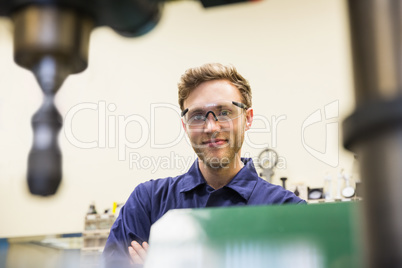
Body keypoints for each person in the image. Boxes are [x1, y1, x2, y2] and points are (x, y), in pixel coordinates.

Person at [102, 63, 306, 267]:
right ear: (185, 125)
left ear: (248, 118)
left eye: (225, 112)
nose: (211, 127)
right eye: (197, 116)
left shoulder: (287, 211)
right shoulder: (147, 203)